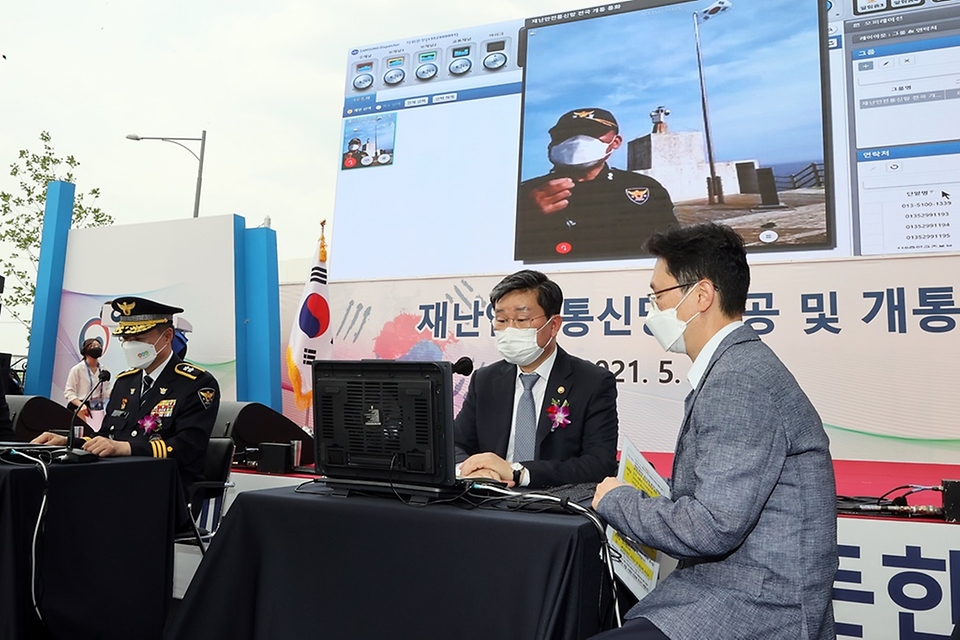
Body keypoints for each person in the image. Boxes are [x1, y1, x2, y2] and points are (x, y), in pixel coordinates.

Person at [590, 223, 837, 640]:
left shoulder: (739, 379)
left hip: (755, 605)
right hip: (724, 589)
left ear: (700, 296)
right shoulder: (734, 367)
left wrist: (619, 501)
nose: (652, 310)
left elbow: (710, 527)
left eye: (658, 295)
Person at [33, 296, 221, 490]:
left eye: (138, 339)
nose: (130, 345)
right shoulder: (125, 382)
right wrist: (69, 443)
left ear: (167, 336)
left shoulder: (197, 383)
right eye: (126, 339)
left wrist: (125, 448)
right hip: (118, 482)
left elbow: (187, 447)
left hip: (166, 487)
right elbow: (107, 436)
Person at [455, 269, 619, 488]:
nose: (510, 329)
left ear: (553, 325)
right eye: (502, 319)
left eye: (522, 319)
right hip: (488, 500)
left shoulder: (592, 382)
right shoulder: (485, 380)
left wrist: (519, 473)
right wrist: (471, 469)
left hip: (553, 506)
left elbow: (599, 464)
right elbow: (455, 445)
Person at [516, 108, 678, 263]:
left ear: (616, 142)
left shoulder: (647, 188)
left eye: (592, 133)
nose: (577, 141)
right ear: (552, 144)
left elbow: (674, 248)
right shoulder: (525, 192)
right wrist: (526, 216)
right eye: (566, 134)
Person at [64, 337, 112, 426]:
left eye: (99, 346)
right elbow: (69, 392)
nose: (97, 348)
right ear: (85, 350)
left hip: (99, 409)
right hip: (82, 408)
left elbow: (106, 391)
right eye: (93, 346)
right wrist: (80, 405)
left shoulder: (104, 370)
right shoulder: (77, 369)